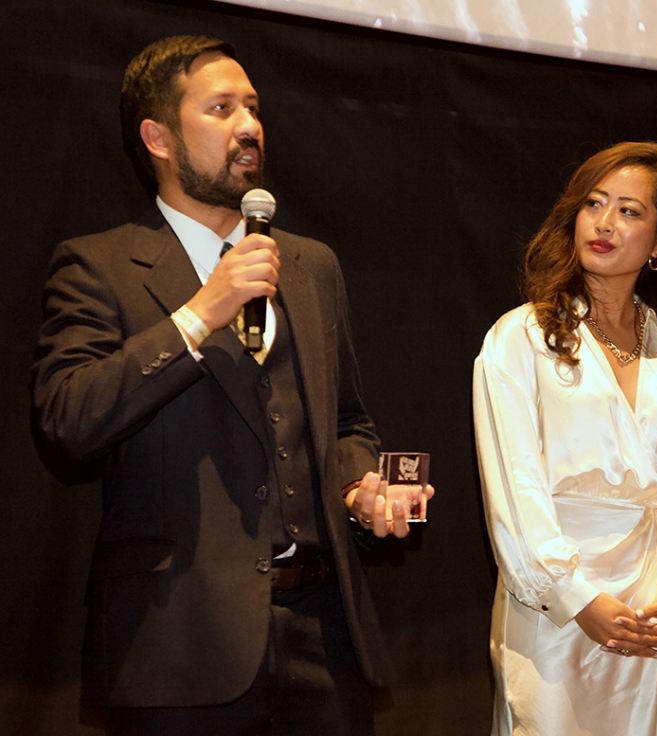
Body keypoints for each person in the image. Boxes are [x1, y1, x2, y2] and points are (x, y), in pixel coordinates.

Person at [30, 35, 431, 735]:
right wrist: (198, 315)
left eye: (252, 107)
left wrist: (361, 487)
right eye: (221, 108)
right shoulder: (99, 267)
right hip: (175, 646)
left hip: (324, 640)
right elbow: (68, 420)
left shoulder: (310, 265)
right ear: (157, 136)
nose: (248, 125)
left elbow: (344, 425)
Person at [473, 141, 657, 735]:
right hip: (553, 607)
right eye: (595, 204)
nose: (605, 223)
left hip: (648, 609)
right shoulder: (521, 337)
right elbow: (515, 489)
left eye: (630, 211)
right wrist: (577, 598)